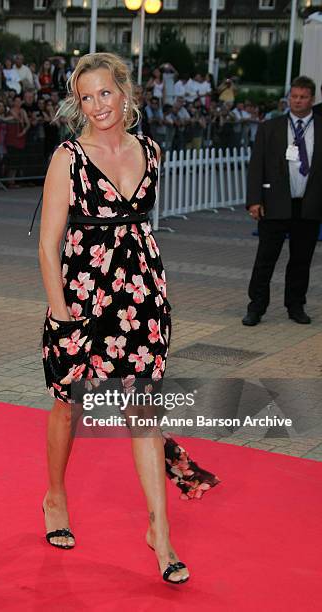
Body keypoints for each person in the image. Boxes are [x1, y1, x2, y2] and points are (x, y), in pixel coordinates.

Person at [38, 52, 219, 585]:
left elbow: (138, 231)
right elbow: (49, 246)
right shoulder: (68, 158)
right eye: (87, 96)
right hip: (81, 298)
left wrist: (153, 293)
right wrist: (61, 314)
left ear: (125, 93)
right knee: (68, 406)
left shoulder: (152, 150)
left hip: (141, 294)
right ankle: (54, 497)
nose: (97, 105)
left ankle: (160, 534)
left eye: (105, 93)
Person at [242, 76, 322, 326]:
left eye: (303, 97)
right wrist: (254, 200)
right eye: (294, 96)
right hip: (275, 203)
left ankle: (295, 306)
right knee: (265, 259)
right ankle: (256, 307)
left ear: (313, 99)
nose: (297, 101)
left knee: (301, 259)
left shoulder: (320, 126)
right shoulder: (271, 127)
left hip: (308, 205)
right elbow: (256, 166)